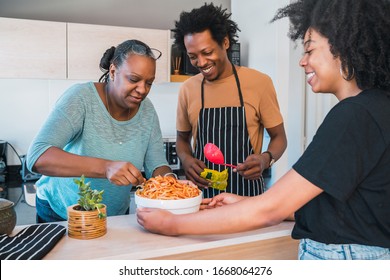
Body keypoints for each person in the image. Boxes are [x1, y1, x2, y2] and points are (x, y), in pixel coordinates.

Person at [137, 0, 390, 260]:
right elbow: (342, 208)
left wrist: (172, 224)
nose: (302, 62)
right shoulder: (375, 109)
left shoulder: (354, 115)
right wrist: (247, 203)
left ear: (344, 45)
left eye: (309, 50)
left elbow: (271, 210)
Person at [27, 39, 172, 223]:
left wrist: (171, 182)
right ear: (113, 71)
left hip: (115, 216)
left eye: (149, 83)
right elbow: (37, 157)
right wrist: (106, 167)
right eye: (134, 79)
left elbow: (157, 164)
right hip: (63, 213)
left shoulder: (147, 111)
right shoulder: (81, 98)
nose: (142, 90)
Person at [173, 3, 287, 198]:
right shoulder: (188, 89)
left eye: (207, 52)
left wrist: (265, 159)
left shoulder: (259, 83)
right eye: (193, 56)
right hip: (203, 199)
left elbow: (279, 138)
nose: (201, 63)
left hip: (247, 197)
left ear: (225, 42)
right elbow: (182, 140)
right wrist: (186, 159)